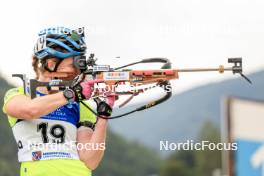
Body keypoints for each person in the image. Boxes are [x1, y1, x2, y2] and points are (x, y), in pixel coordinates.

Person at [2, 27, 115, 176]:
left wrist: (103, 115)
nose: (77, 71)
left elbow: (90, 160)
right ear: (51, 63)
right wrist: (71, 94)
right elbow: (30, 110)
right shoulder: (19, 94)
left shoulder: (80, 105)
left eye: (79, 64)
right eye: (72, 64)